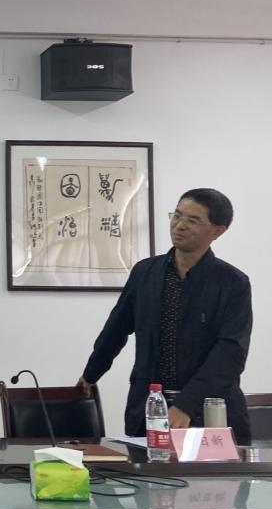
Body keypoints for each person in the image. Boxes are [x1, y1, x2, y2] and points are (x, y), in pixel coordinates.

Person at [78, 188, 252, 444]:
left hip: (208, 411)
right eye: (177, 215)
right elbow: (116, 328)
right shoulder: (145, 272)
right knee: (146, 469)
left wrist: (186, 405)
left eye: (193, 220)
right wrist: (91, 374)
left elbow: (230, 353)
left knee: (212, 473)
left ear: (218, 231)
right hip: (150, 405)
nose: (179, 225)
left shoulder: (232, 283)